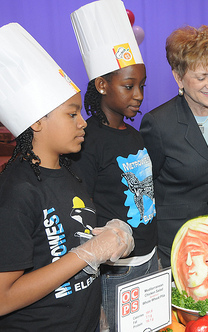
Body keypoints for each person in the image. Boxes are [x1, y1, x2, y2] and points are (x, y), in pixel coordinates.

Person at [0, 23, 134, 331]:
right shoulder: (17, 191)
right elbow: (3, 298)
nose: (82, 123)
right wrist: (85, 255)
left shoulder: (70, 172)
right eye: (72, 114)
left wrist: (106, 237)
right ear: (36, 122)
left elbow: (69, 242)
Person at [70, 1, 157, 330]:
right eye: (128, 86)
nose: (138, 95)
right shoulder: (87, 140)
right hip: (115, 270)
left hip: (150, 259)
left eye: (142, 86)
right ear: (102, 86)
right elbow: (83, 209)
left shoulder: (135, 136)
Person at [140, 25, 208, 268]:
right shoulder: (158, 124)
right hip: (174, 242)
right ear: (178, 77)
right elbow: (146, 190)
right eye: (201, 77)